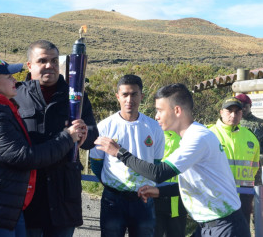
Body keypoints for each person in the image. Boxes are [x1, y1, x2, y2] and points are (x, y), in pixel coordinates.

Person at [94, 83, 251, 237]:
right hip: (210, 225)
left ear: (177, 110)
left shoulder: (197, 138)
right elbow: (196, 183)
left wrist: (119, 152)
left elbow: (158, 173)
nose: (156, 116)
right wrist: (160, 191)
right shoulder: (192, 136)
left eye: (160, 110)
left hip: (225, 226)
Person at [0, 57, 87, 236]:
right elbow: (24, 157)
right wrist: (67, 138)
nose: (15, 80)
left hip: (2, 205)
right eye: (8, 77)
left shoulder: (2, 109)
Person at [14, 40, 98, 237]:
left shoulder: (76, 96)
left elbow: (92, 136)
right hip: (28, 194)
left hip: (63, 193)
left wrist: (84, 134)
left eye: (53, 60)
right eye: (42, 61)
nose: (49, 65)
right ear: (29, 65)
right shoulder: (16, 95)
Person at [89, 74, 164, 237]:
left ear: (142, 96)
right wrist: (111, 184)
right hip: (113, 199)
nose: (129, 99)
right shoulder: (104, 127)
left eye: (134, 94)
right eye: (125, 94)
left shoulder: (154, 127)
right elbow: (96, 163)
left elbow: (156, 164)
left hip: (143, 199)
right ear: (118, 97)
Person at [208, 97, 259, 230]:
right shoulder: (209, 134)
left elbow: (254, 167)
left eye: (237, 111)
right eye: (229, 111)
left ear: (242, 114)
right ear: (221, 112)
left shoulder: (250, 137)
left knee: (242, 231)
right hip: (218, 196)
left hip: (244, 198)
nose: (233, 115)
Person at [154, 130, 187, 237]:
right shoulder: (153, 134)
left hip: (177, 197)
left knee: (176, 233)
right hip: (154, 196)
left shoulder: (186, 136)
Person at [236, 93, 263, 186]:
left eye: (245, 106)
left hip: (254, 171)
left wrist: (257, 158)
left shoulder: (260, 124)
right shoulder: (231, 124)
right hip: (234, 171)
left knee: (254, 198)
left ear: (250, 106)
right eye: (240, 106)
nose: (242, 108)